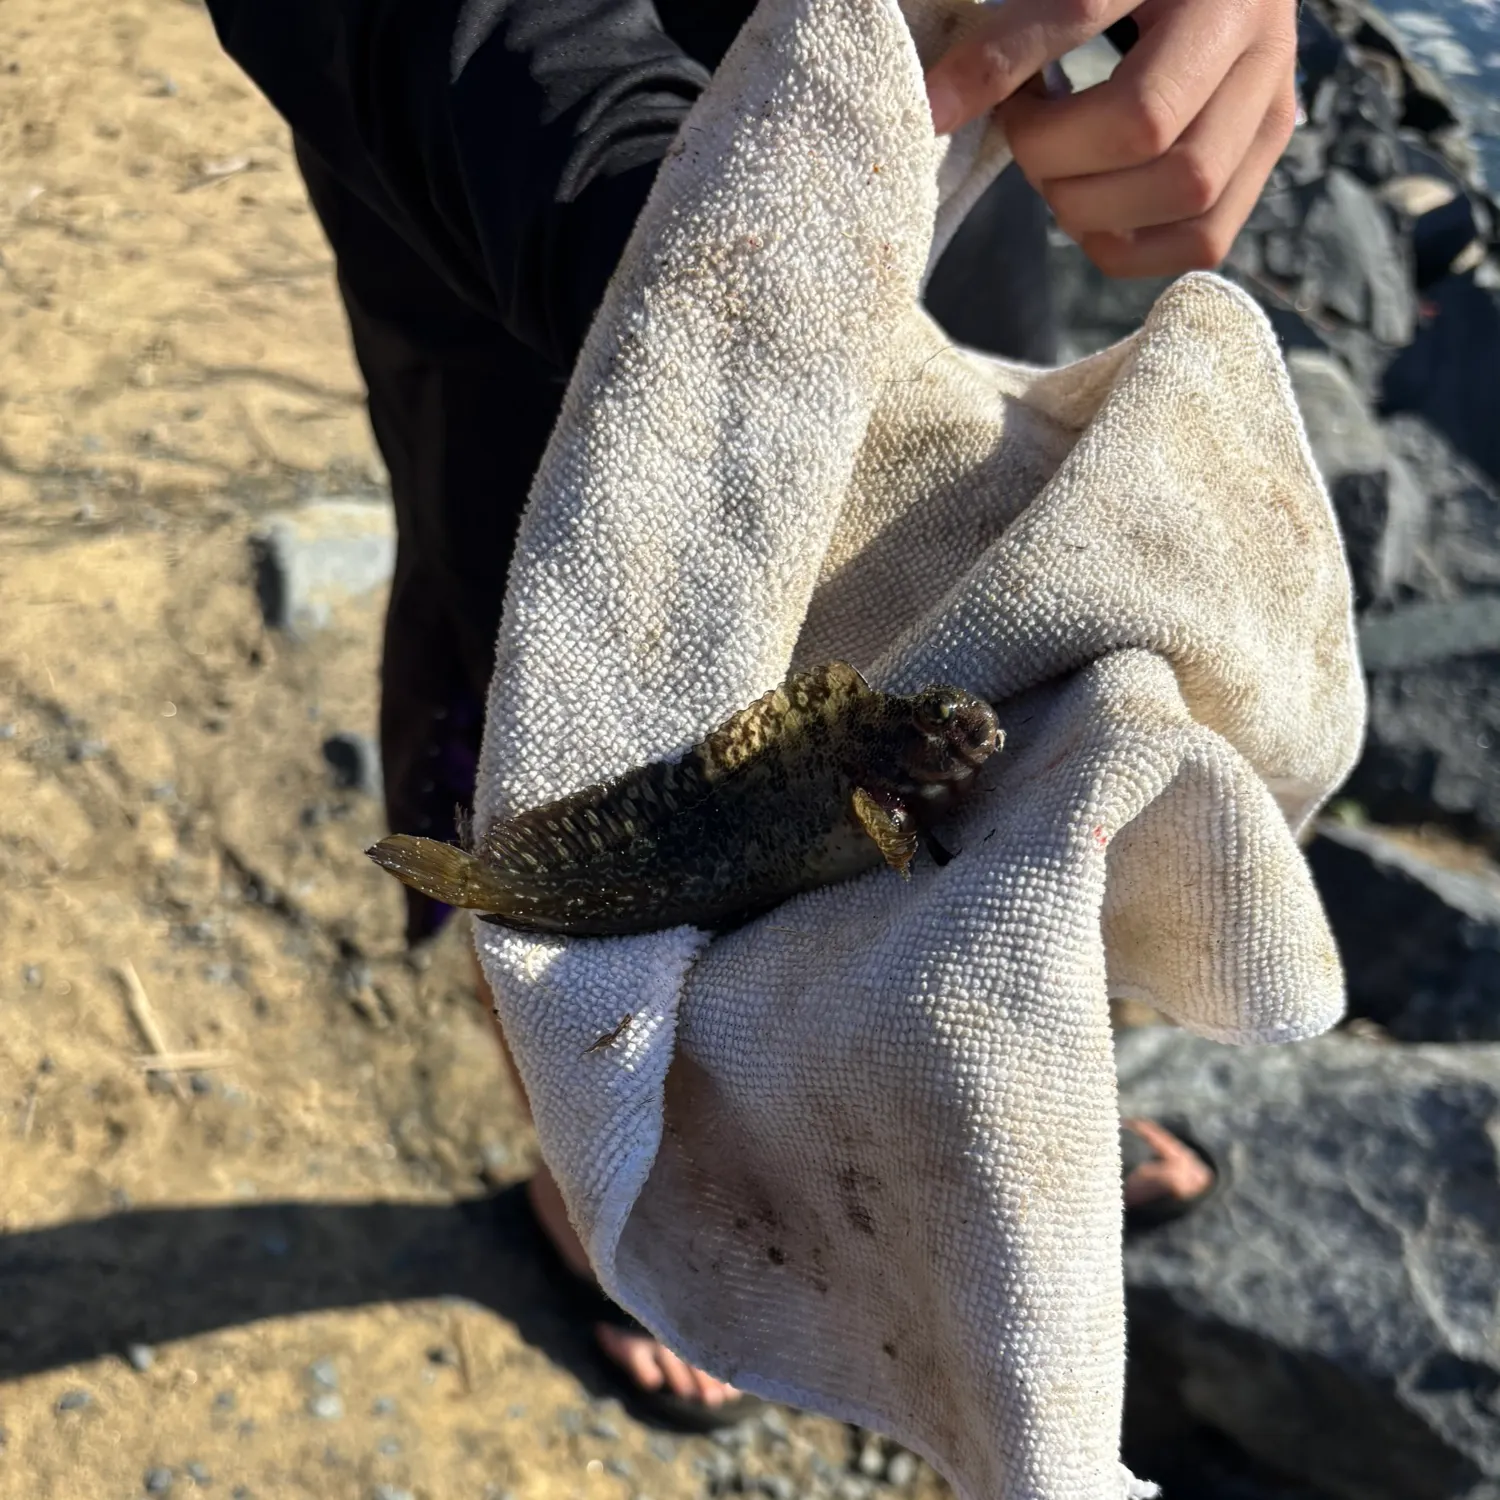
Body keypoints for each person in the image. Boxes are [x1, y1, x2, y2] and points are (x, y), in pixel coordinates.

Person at [206, 0, 1293, 1420]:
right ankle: (604, 1198)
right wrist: (681, 233)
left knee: (1034, 785)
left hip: (938, 180)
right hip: (519, 200)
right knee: (527, 759)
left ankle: (1012, 1108)